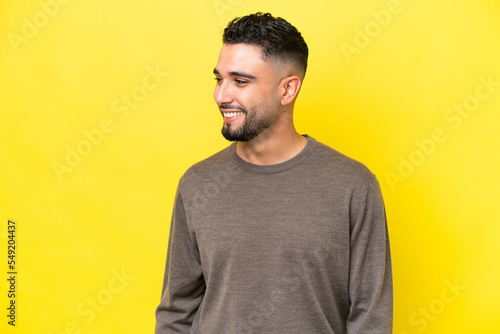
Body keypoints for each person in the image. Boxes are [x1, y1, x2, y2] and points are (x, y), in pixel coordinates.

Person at [155, 12, 392, 334]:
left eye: (240, 81)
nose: (222, 95)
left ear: (287, 90)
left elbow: (371, 318)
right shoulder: (197, 184)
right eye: (219, 79)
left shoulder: (352, 185)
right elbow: (176, 310)